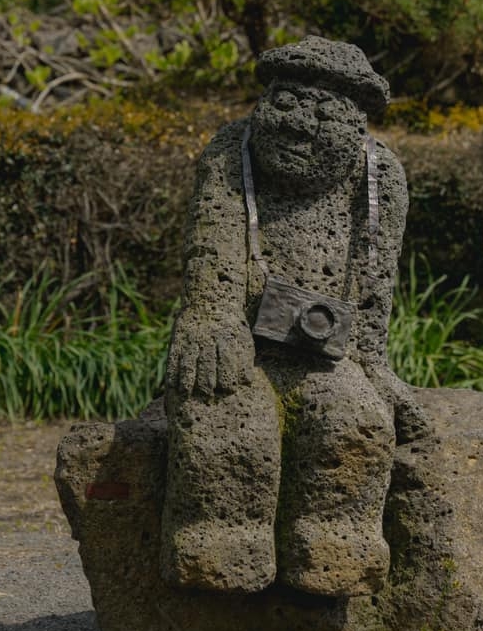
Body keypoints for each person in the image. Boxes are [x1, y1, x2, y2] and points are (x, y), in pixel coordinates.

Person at [160, 36, 409, 597]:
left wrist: (372, 363)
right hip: (237, 341)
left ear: (357, 126)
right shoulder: (231, 152)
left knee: (355, 425)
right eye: (287, 103)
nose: (298, 125)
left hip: (324, 353)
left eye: (323, 113)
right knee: (228, 423)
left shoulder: (380, 176)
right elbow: (212, 252)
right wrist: (210, 318)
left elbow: (374, 282)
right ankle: (219, 540)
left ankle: (333, 544)